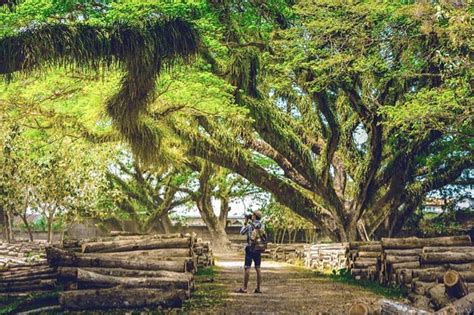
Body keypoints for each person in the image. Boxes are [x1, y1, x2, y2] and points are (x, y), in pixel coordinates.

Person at [236, 209, 265, 294]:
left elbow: (241, 232)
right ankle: (258, 288)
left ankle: (245, 288)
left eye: (252, 215)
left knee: (247, 268)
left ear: (254, 216)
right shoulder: (262, 226)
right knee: (258, 268)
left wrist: (245, 222)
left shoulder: (249, 226)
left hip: (250, 248)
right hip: (258, 248)